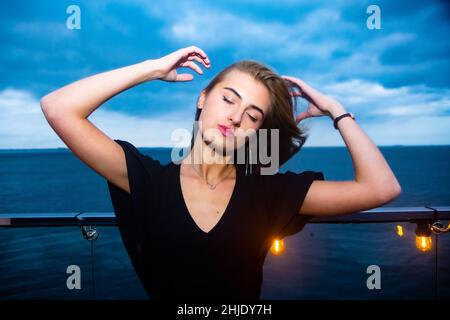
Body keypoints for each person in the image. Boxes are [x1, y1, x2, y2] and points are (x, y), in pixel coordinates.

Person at [40, 46, 402, 300]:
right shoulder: (148, 181)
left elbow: (381, 187)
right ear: (203, 98)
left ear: (257, 131)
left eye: (253, 114)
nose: (235, 116)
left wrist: (336, 110)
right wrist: (152, 69)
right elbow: (58, 108)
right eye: (229, 99)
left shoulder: (268, 194)